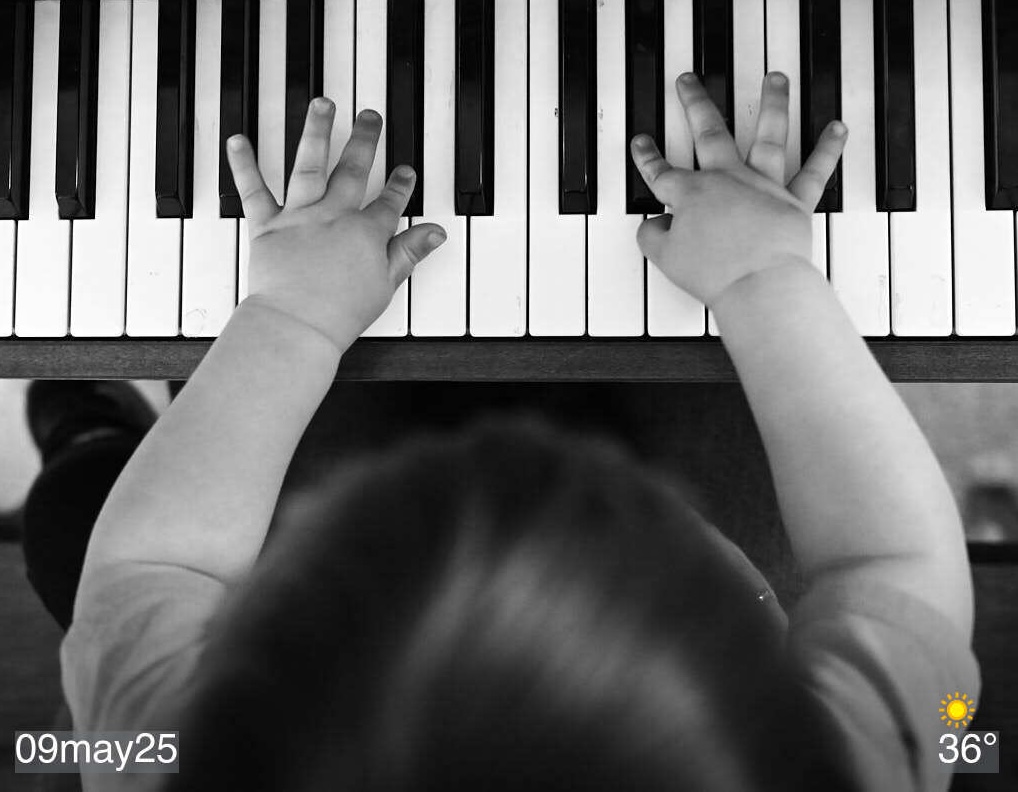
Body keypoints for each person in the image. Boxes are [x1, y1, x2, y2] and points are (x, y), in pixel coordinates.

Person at [29, 72, 977, 791]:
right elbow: (890, 560)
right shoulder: (839, 766)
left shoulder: (174, 755)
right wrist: (765, 279)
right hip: (693, 512)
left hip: (321, 467)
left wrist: (289, 320)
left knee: (75, 510)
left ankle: (80, 422)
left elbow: (150, 564)